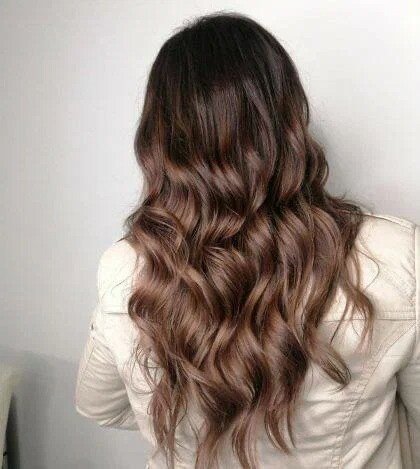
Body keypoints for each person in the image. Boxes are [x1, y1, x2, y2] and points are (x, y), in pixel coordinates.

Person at [74, 11, 419, 469]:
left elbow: (99, 405)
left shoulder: (127, 268)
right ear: (287, 119)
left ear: (159, 139)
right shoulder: (394, 254)